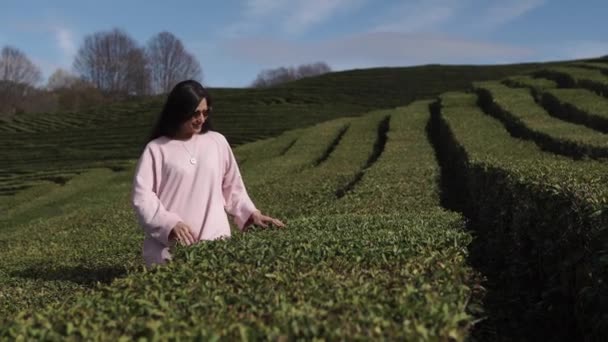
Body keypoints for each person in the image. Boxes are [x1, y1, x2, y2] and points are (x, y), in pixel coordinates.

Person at [131, 80, 285, 267]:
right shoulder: (156, 149)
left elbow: (233, 187)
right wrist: (169, 224)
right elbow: (143, 197)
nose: (201, 119)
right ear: (179, 111)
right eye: (195, 113)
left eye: (205, 112)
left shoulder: (217, 142)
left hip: (216, 246)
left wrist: (252, 213)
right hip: (170, 250)